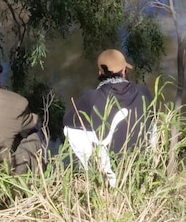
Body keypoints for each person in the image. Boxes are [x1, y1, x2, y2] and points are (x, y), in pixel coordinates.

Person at [63, 48, 154, 186]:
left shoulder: (91, 97)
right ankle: (150, 163)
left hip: (112, 167)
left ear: (100, 73)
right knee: (153, 122)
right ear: (124, 71)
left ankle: (101, 173)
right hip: (141, 163)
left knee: (70, 129)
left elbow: (68, 121)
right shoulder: (143, 91)